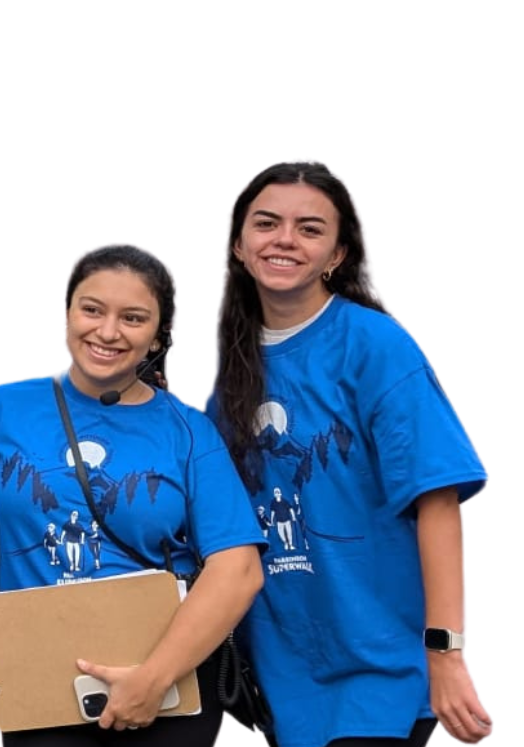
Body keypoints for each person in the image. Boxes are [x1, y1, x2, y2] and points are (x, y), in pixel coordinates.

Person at [205, 159, 494, 747]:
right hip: (284, 673)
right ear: (238, 243)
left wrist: (446, 655)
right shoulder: (231, 372)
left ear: (337, 254)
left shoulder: (375, 345)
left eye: (310, 228)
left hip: (379, 670)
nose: (285, 239)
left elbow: (436, 499)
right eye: (267, 223)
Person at [0, 241, 267, 746]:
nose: (107, 331)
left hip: (167, 689)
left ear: (156, 339)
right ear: (65, 315)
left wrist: (153, 679)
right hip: (38, 683)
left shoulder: (187, 431)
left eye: (133, 318)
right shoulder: (1, 410)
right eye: (92, 310)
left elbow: (238, 569)